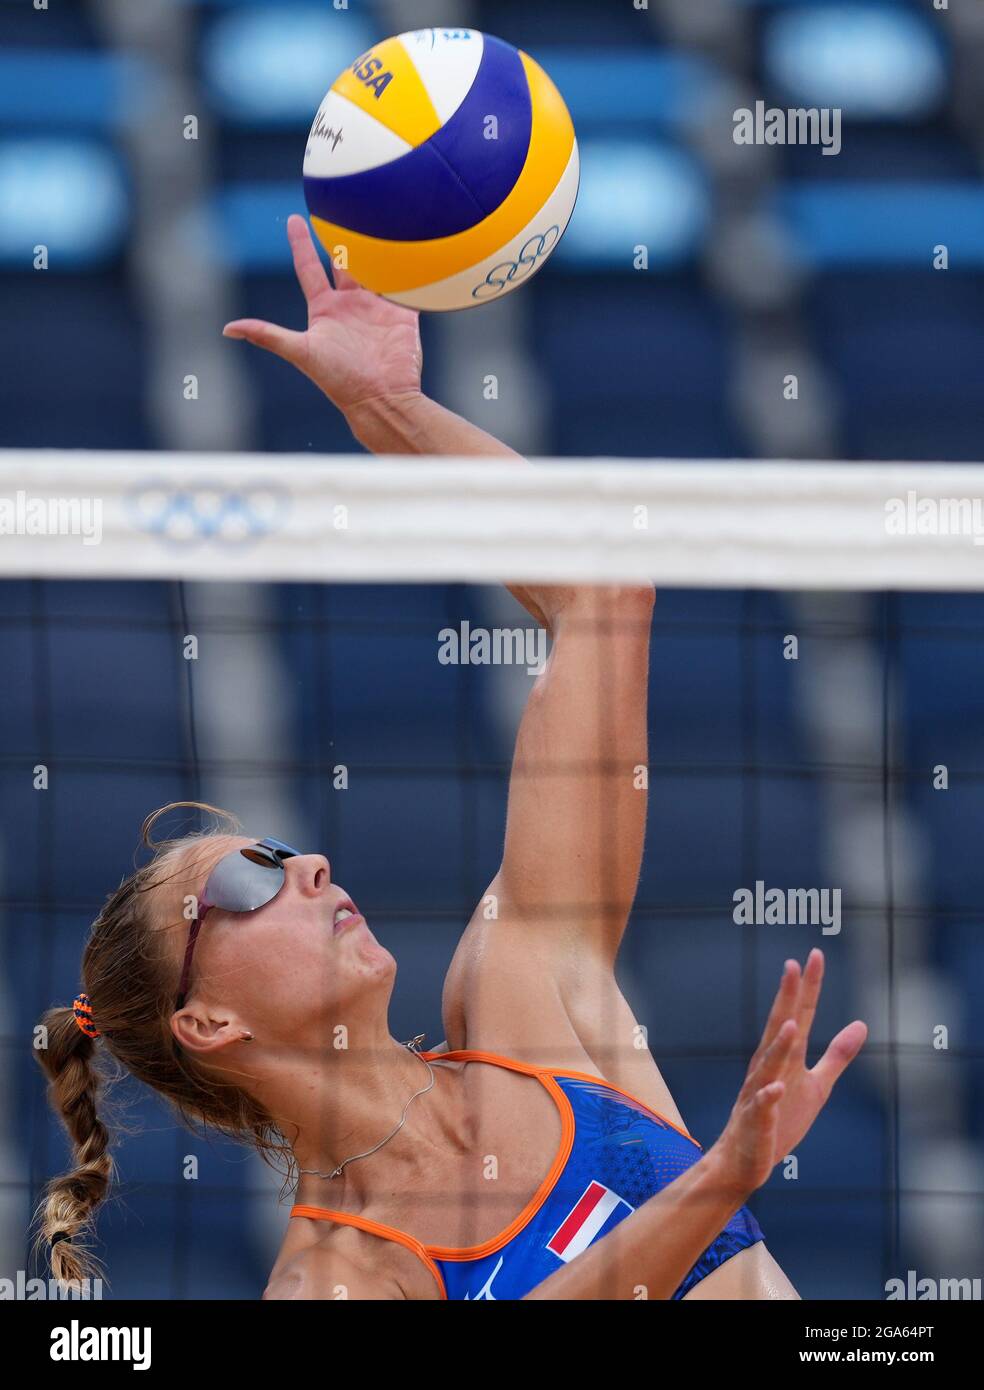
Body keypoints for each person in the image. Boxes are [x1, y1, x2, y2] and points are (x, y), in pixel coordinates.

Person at [34, 217, 867, 1299]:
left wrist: (386, 406)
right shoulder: (332, 1274)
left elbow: (604, 594)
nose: (310, 868)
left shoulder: (525, 993)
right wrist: (718, 1182)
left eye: (281, 848)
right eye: (249, 879)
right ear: (208, 1022)